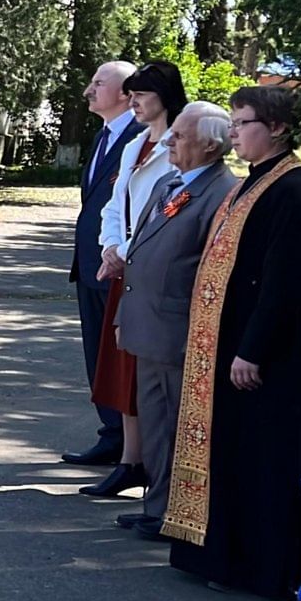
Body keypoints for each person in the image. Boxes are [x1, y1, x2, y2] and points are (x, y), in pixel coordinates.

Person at [163, 86, 301, 601]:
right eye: (237, 122)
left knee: (262, 460)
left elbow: (283, 281)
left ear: (278, 128)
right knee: (230, 451)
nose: (236, 132)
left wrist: (254, 349)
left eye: (244, 123)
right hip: (224, 345)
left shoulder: (291, 188)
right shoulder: (251, 183)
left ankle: (260, 568)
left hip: (261, 356)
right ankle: (215, 552)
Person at [114, 101, 233, 540]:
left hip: (179, 333)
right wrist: (125, 315)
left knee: (176, 427)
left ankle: (175, 513)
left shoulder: (222, 193)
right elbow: (141, 249)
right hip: (147, 327)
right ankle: (158, 505)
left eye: (179, 136)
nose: (168, 141)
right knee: (156, 423)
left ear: (209, 144)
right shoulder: (171, 182)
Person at [83, 60, 190, 498]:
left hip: (148, 267)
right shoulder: (136, 145)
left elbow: (168, 211)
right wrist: (110, 246)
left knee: (145, 372)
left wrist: (126, 252)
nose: (136, 103)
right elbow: (115, 202)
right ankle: (130, 459)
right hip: (124, 264)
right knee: (121, 366)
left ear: (162, 97)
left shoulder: (179, 143)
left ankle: (149, 464)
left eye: (142, 96)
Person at [65, 60, 141, 467]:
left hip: (118, 263)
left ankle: (123, 440)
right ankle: (111, 433)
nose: (88, 91)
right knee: (96, 354)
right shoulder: (104, 136)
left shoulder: (142, 136)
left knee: (116, 357)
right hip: (93, 261)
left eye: (98, 83)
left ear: (127, 93)